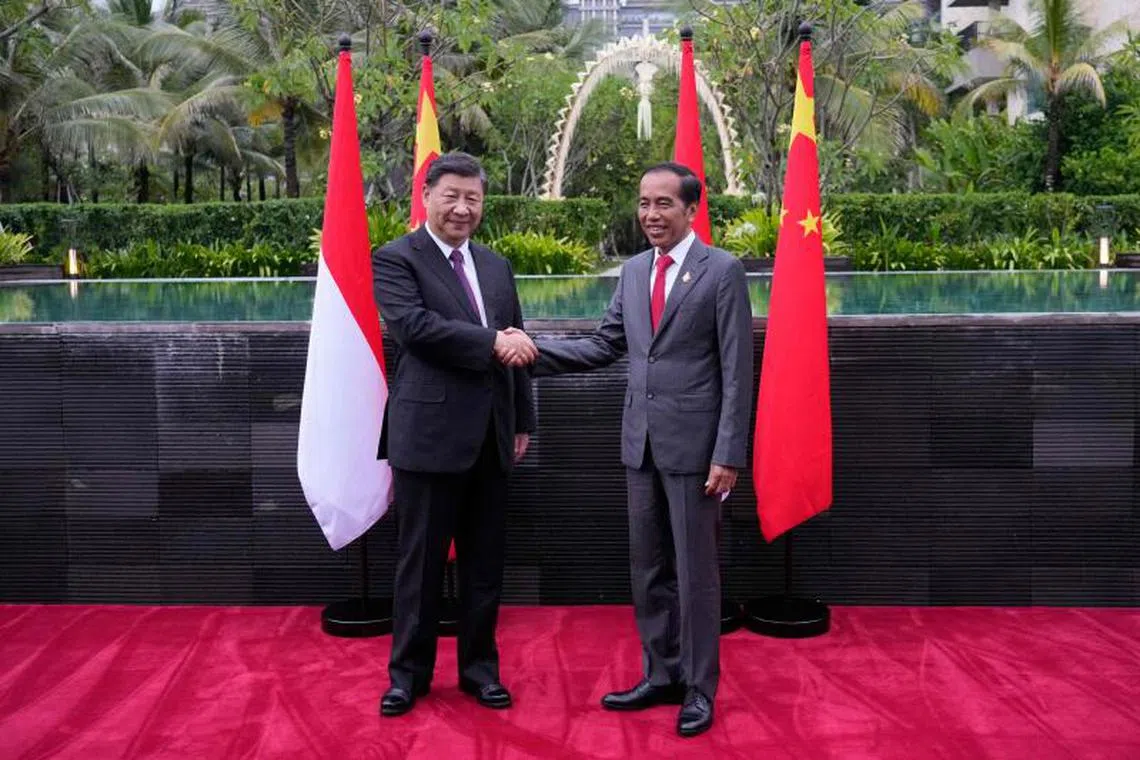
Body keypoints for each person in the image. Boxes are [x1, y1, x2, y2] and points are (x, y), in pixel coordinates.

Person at [526, 162, 753, 737]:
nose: (651, 215)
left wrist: (728, 452)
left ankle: (699, 689)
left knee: (695, 573)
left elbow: (736, 370)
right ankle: (662, 674)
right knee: (648, 569)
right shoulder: (631, 272)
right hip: (640, 445)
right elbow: (606, 345)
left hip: (698, 451)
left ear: (690, 209)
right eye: (644, 204)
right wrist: (532, 352)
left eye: (663, 205)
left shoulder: (721, 271)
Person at [372, 151, 538, 717]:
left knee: (484, 565)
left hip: (492, 436)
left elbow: (519, 343)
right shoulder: (396, 259)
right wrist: (490, 343)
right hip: (428, 435)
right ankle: (407, 678)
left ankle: (479, 671)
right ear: (427, 197)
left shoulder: (496, 265)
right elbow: (416, 330)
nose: (463, 209)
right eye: (452, 197)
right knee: (418, 565)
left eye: (473, 198)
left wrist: (523, 420)